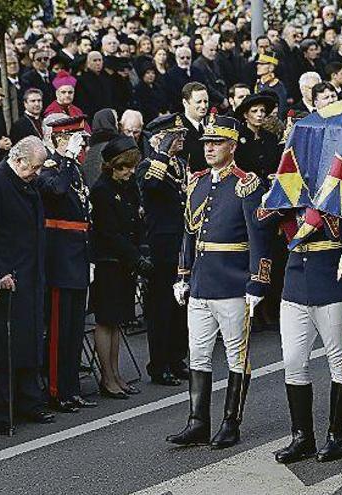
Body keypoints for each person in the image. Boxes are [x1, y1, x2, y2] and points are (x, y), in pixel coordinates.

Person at [168, 114, 272, 449]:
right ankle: (197, 421)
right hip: (200, 282)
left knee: (236, 357)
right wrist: (182, 275)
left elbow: (259, 238)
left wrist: (258, 281)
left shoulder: (246, 184)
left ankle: (231, 422)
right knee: (198, 354)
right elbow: (188, 234)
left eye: (217, 143)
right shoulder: (197, 182)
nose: (210, 148)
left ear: (233, 145)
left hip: (232, 282)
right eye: (207, 143)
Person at [0, 136, 54, 431]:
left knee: (31, 339)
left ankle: (29, 400)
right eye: (33, 167)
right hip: (9, 277)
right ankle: (1, 409)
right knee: (8, 347)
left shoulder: (26, 181)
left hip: (30, 273)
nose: (37, 173)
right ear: (18, 160)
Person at [270, 202, 342, 463]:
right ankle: (302, 437)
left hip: (332, 280)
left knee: (340, 363)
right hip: (296, 280)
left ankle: (336, 436)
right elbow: (260, 221)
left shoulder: (339, 185)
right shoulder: (288, 188)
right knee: (294, 361)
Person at [37, 114, 96, 412]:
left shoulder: (75, 169)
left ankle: (72, 387)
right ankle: (56, 389)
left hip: (78, 254)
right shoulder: (51, 167)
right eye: (74, 138)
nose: (80, 144)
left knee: (74, 328)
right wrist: (68, 157)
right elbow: (56, 192)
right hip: (60, 258)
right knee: (59, 329)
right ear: (60, 139)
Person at [89, 135, 151, 399]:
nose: (129, 172)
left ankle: (115, 373)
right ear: (111, 165)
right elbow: (109, 233)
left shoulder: (127, 186)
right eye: (124, 167)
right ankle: (107, 376)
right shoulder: (102, 189)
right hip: (108, 262)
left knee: (117, 322)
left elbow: (135, 221)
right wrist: (134, 257)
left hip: (124, 261)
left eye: (131, 167)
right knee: (106, 320)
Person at [136, 115, 189, 386]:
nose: (179, 140)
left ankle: (177, 358)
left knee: (180, 305)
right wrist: (161, 152)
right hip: (160, 245)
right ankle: (159, 364)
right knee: (161, 307)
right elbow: (151, 185)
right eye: (174, 136)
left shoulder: (179, 165)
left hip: (181, 242)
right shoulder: (149, 165)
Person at [233, 92, 281, 179]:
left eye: (262, 111)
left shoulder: (271, 137)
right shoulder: (237, 138)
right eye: (254, 111)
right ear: (245, 115)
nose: (259, 114)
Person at [179, 82, 209, 172]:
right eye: (198, 102)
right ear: (185, 103)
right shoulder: (178, 129)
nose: (203, 106)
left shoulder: (213, 124)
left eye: (206, 101)